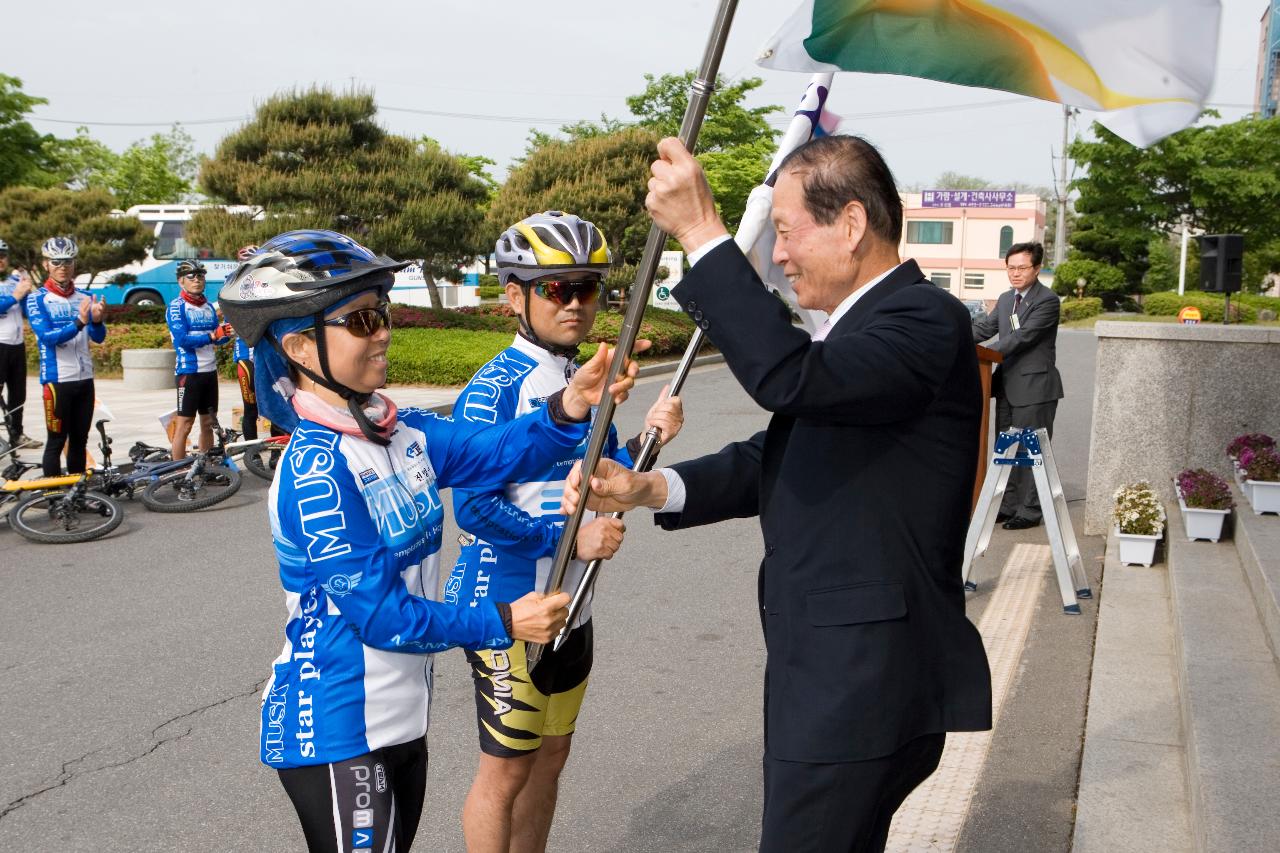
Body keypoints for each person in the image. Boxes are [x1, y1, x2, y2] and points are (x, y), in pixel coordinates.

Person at [561, 135, 993, 853]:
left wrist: (703, 232)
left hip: (860, 683)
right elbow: (783, 450)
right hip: (840, 677)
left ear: (850, 225)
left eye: (787, 232)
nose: (780, 254)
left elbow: (790, 381)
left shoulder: (921, 318)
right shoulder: (868, 331)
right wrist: (649, 487)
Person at [217, 229, 641, 853]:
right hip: (335, 725)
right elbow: (382, 617)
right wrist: (503, 619)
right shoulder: (316, 472)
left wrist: (569, 407)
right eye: (361, 319)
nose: (383, 331)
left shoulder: (399, 431)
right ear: (302, 345)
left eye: (382, 313)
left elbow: (497, 453)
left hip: (398, 718)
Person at [450, 212, 684, 853]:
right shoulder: (491, 389)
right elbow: (472, 508)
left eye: (588, 288)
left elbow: (604, 481)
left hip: (572, 607)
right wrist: (565, 539)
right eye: (556, 289)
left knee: (550, 760)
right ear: (514, 295)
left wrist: (652, 438)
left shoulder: (587, 380)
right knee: (505, 772)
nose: (576, 303)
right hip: (506, 606)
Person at [970, 241, 1064, 530]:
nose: (1015, 273)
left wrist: (991, 351)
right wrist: (949, 335)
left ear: (1036, 268)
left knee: (1029, 451)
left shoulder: (1047, 301)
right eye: (1011, 267)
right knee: (1006, 450)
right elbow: (983, 329)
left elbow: (1023, 337)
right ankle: (1008, 505)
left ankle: (1030, 510)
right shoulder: (1005, 298)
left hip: (1036, 389)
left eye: (1022, 267)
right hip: (1007, 387)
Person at [25, 236, 106, 476]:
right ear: (45, 265)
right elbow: (48, 337)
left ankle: (77, 494)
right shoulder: (37, 299)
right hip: (56, 380)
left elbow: (98, 337)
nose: (62, 266)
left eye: (68, 261)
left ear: (74, 264)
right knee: (56, 440)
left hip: (84, 379)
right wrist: (80, 322)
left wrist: (98, 321)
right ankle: (53, 499)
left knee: (80, 441)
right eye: (56, 261)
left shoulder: (85, 296)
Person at [166, 259, 232, 460]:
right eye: (191, 276)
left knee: (208, 424)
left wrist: (226, 334)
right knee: (184, 425)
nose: (197, 279)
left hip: (209, 373)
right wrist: (212, 336)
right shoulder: (176, 307)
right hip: (189, 374)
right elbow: (182, 340)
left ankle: (206, 466)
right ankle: (177, 472)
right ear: (181, 282)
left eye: (201, 275)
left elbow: (216, 339)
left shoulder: (208, 307)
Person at [0, 239, 39, 448]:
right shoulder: (13, 288)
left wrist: (26, 292)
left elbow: (26, 310)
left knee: (18, 393)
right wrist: (16, 295)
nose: (0, 260)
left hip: (16, 343)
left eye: (3, 256)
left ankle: (17, 434)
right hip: (0, 344)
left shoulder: (14, 281)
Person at [232, 244, 262, 441]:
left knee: (273, 403)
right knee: (250, 408)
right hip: (245, 357)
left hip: (264, 355)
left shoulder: (264, 286)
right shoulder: (232, 287)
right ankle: (252, 453)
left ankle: (276, 452)